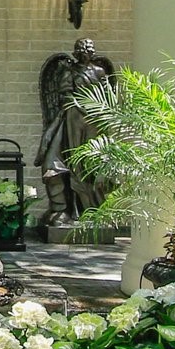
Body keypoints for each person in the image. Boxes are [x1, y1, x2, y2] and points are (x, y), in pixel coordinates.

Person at [37, 37, 116, 223]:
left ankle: (92, 210)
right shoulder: (69, 72)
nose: (86, 52)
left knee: (91, 164)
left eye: (89, 49)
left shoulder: (100, 72)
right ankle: (63, 209)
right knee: (61, 163)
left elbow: (108, 96)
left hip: (94, 121)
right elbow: (65, 96)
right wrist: (78, 105)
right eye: (82, 49)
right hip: (74, 120)